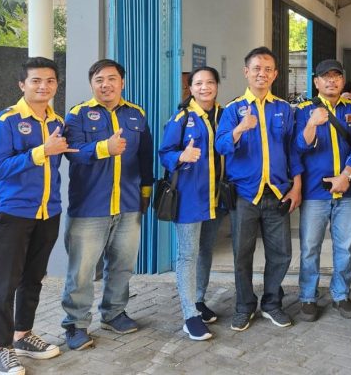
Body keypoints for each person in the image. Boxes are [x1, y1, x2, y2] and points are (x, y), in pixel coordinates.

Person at [61, 59, 154, 350]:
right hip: (90, 206)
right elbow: (72, 152)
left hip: (127, 204)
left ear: (122, 83)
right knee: (82, 270)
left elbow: (145, 156)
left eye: (112, 79)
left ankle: (114, 313)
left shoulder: (136, 114)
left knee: (123, 265)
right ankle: (75, 324)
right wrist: (104, 148)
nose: (106, 84)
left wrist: (146, 192)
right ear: (92, 84)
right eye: (99, 79)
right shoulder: (77, 115)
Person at [0, 57, 72, 375]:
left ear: (56, 85)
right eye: (36, 80)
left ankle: (22, 335)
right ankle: (1, 347)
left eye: (50, 81)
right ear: (22, 84)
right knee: (5, 284)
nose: (43, 86)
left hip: (48, 212)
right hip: (13, 213)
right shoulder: (5, 121)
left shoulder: (57, 121)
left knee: (33, 279)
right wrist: (41, 152)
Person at [215, 47, 301, 331]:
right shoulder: (232, 109)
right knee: (242, 253)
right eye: (256, 68)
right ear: (246, 72)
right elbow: (221, 145)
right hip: (245, 195)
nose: (261, 74)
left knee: (281, 253)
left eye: (267, 69)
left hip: (277, 193)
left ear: (275, 74)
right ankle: (244, 306)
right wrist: (240, 128)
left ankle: (272, 303)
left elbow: (293, 151)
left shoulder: (284, 109)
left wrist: (297, 186)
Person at [292, 59, 351, 321]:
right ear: (316, 82)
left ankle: (341, 295)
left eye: (336, 76)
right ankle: (308, 297)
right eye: (325, 77)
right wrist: (312, 123)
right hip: (315, 193)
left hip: (346, 191)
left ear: (343, 81)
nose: (331, 81)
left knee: (344, 247)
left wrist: (346, 175)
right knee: (310, 247)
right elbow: (299, 147)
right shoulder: (303, 110)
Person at [159, 66, 227, 341]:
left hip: (216, 198)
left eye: (209, 82)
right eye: (198, 83)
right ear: (190, 88)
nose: (204, 88)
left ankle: (198, 300)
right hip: (188, 198)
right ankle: (189, 316)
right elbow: (164, 154)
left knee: (206, 251)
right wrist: (180, 157)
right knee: (188, 255)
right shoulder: (182, 117)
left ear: (217, 86)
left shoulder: (225, 115)